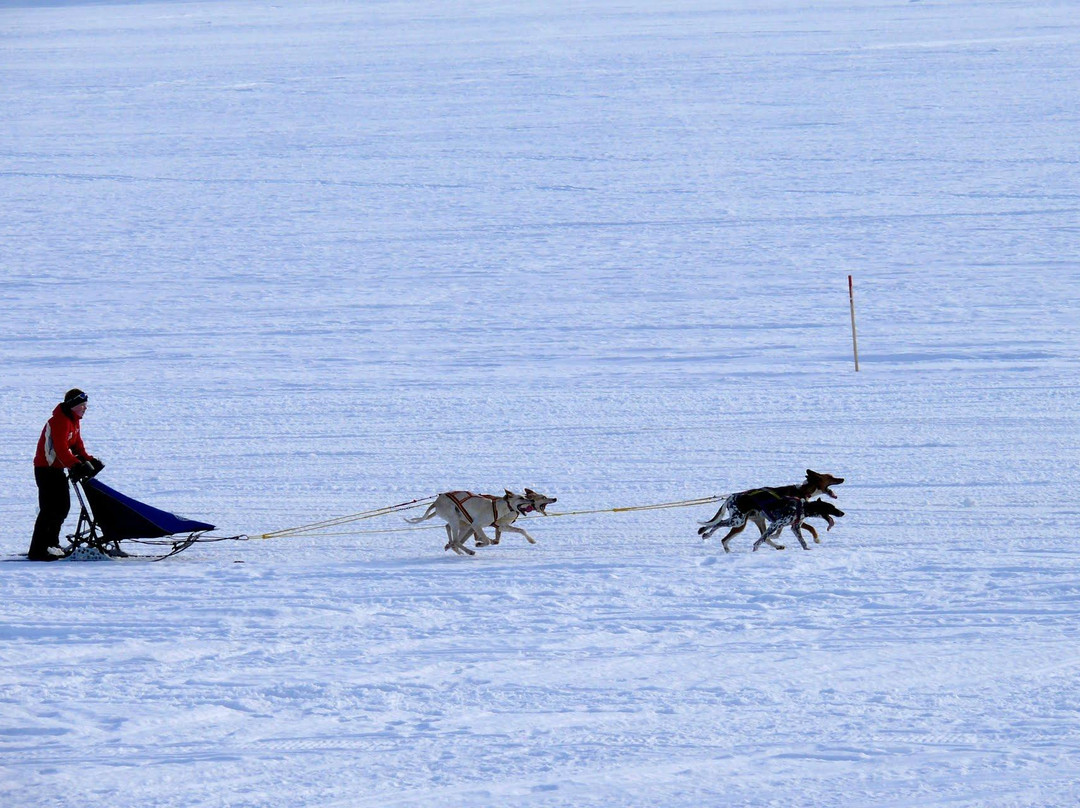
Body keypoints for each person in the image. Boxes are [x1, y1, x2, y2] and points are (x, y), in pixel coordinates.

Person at [28, 389, 104, 561]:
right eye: (83, 406)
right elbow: (61, 449)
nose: (85, 409)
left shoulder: (73, 421)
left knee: (62, 507)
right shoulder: (60, 421)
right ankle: (38, 550)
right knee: (50, 510)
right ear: (74, 405)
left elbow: (77, 446)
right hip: (46, 469)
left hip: (57, 469)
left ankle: (52, 544)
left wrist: (89, 460)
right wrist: (76, 465)